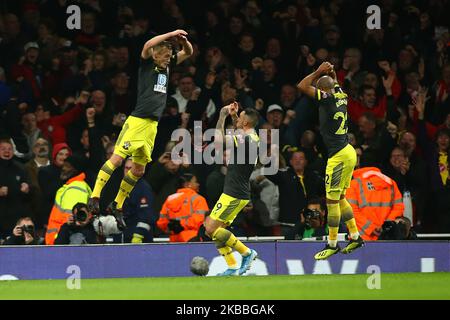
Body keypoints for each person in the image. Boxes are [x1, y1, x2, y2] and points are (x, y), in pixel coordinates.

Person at [88, 29, 193, 225]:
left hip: (152, 126)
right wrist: (171, 33)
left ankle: (117, 205)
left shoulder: (167, 66)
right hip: (137, 121)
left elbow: (188, 52)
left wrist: (183, 41)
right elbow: (146, 45)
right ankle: (94, 197)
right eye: (164, 54)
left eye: (169, 55)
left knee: (138, 171)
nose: (167, 58)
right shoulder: (147, 64)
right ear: (155, 54)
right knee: (118, 159)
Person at [297, 61, 363, 260]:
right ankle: (356, 236)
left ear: (322, 91)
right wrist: (331, 73)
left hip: (338, 156)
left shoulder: (326, 99)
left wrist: (318, 72)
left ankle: (332, 243)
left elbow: (301, 86)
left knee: (331, 201)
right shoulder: (341, 96)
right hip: (348, 151)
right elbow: (333, 83)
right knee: (341, 198)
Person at [203, 102, 260, 276]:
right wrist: (235, 115)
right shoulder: (253, 136)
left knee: (211, 229)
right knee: (216, 231)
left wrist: (222, 116)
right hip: (237, 191)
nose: (236, 120)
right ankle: (232, 266)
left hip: (234, 192)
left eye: (240, 118)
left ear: (245, 123)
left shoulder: (246, 139)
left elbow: (219, 141)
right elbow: (240, 129)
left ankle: (246, 253)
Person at [346, 167, 404, 240]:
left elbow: (351, 212)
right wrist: (387, 226)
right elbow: (399, 207)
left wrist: (371, 228)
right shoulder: (391, 183)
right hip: (387, 238)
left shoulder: (354, 184)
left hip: (362, 240)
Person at [45, 155, 91, 245]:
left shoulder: (75, 189)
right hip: (61, 240)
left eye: (67, 166)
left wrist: (59, 238)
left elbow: (72, 220)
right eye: (64, 165)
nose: (63, 168)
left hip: (65, 241)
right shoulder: (72, 186)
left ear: (75, 170)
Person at [114, 158, 159, 243]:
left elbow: (147, 215)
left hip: (139, 239)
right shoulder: (121, 187)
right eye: (126, 168)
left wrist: (138, 235)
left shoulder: (144, 188)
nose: (127, 171)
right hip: (122, 237)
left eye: (131, 168)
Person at [158, 173, 209, 242]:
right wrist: (182, 225)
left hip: (173, 241)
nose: (198, 184)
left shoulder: (170, 199)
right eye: (195, 182)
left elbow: (161, 222)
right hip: (192, 239)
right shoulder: (198, 199)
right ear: (187, 184)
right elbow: (201, 221)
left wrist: (172, 228)